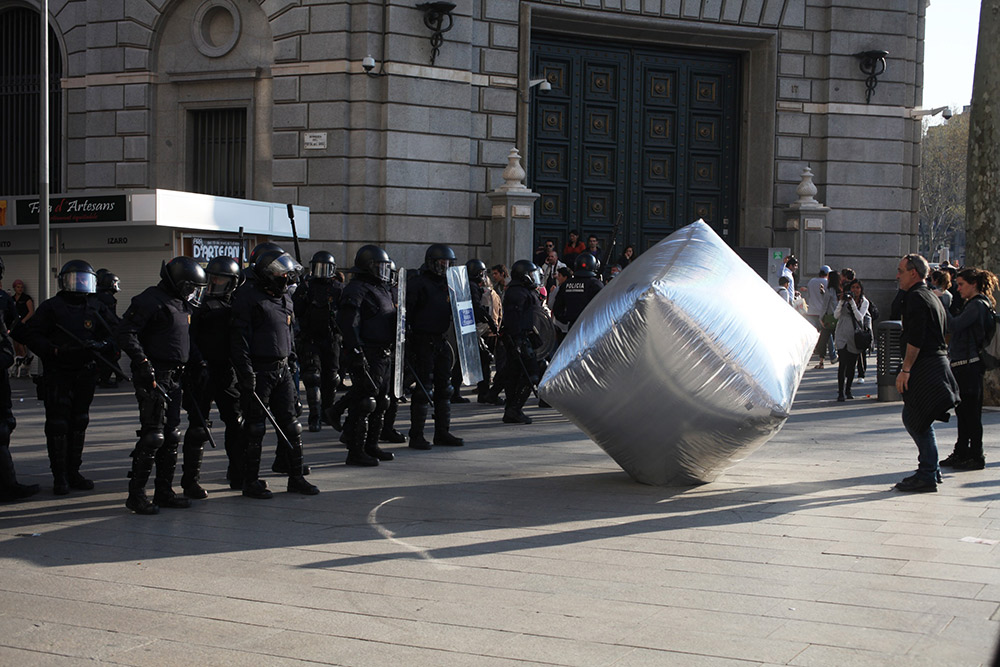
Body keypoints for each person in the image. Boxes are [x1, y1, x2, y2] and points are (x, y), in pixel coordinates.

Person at [14, 260, 116, 495]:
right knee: (58, 424)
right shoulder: (52, 307)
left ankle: (73, 471)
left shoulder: (96, 306)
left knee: (80, 421)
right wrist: (54, 351)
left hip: (85, 371)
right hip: (58, 372)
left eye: (83, 279)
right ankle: (59, 475)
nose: (79, 284)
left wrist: (100, 345)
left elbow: (116, 334)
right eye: (74, 279)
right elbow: (33, 335)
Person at [117, 257, 208, 514]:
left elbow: (185, 339)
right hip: (155, 375)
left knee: (171, 435)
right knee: (153, 435)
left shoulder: (182, 303)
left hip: (176, 376)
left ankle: (164, 491)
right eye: (190, 286)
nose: (193, 292)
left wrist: (198, 362)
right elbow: (126, 332)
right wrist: (142, 361)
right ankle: (136, 495)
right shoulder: (149, 300)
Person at [231, 249, 318, 498]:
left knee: (292, 425)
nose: (287, 278)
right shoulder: (247, 298)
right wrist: (246, 373)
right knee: (256, 428)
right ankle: (251, 481)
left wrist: (291, 361)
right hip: (259, 370)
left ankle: (296, 477)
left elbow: (288, 334)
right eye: (282, 274)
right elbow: (239, 341)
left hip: (282, 369)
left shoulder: (284, 298)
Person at [893, 253, 960, 493]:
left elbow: (916, 338)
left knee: (916, 419)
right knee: (917, 418)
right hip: (935, 364)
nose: (897, 275)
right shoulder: (929, 296)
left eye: (901, 270)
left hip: (925, 367)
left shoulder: (917, 298)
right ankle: (931, 469)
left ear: (913, 273)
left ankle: (928, 473)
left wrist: (906, 369)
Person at [182, 256, 245, 499]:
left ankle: (238, 472)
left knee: (236, 422)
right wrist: (197, 363)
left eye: (220, 280)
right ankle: (191, 481)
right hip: (202, 372)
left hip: (227, 371)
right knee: (198, 428)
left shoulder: (237, 305)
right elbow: (187, 338)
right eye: (212, 278)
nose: (214, 284)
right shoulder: (197, 306)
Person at [337, 245, 398, 465]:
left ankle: (372, 445)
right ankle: (356, 451)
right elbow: (348, 322)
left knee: (382, 402)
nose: (382, 270)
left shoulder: (381, 288)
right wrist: (355, 350)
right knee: (365, 403)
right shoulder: (357, 288)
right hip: (367, 351)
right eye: (378, 266)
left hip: (384, 351)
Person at [406, 244, 464, 449]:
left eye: (448, 263)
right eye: (441, 262)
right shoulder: (418, 283)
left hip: (441, 340)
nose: (445, 266)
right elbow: (407, 314)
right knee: (423, 389)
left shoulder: (448, 284)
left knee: (445, 388)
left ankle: (442, 432)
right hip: (422, 340)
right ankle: (417, 435)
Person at [940, 267, 999, 471]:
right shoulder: (974, 304)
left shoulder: (977, 305)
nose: (958, 289)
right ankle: (962, 451)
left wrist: (942, 305)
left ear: (973, 284)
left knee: (971, 413)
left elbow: (954, 325)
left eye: (962, 284)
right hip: (964, 364)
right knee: (964, 412)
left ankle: (975, 455)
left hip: (969, 365)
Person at [0, 257, 39, 502]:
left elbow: (16, 328)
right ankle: (8, 486)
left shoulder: (4, 300)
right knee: (2, 426)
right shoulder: (3, 299)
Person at [294, 251, 344, 432]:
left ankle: (326, 413)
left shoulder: (338, 289)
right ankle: (314, 417)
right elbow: (296, 311)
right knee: (312, 376)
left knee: (331, 378)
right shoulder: (306, 288)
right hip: (310, 338)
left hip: (331, 339)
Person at [496, 260, 545, 424]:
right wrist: (517, 341)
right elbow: (515, 319)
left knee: (514, 374)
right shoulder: (518, 293)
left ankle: (511, 410)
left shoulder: (519, 291)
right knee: (531, 374)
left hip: (519, 338)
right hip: (519, 339)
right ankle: (514, 409)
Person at [833, 279, 870, 401]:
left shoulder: (864, 302)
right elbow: (836, 315)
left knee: (851, 365)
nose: (855, 290)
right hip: (842, 333)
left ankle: (848, 389)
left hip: (854, 335)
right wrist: (842, 301)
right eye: (853, 288)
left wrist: (852, 303)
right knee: (842, 363)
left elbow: (860, 317)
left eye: (857, 288)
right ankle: (840, 392)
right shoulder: (844, 300)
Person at [553, 253, 604, 332]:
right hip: (591, 326)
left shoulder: (566, 284)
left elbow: (557, 308)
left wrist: (566, 319)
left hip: (573, 326)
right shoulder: (596, 284)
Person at [94, 271, 122, 388]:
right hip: (105, 332)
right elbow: (110, 317)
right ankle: (104, 379)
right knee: (111, 354)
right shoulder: (107, 299)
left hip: (98, 331)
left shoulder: (96, 296)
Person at [813, 271, 842, 369]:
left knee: (822, 341)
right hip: (839, 319)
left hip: (829, 319)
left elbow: (825, 305)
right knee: (838, 340)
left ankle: (821, 362)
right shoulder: (840, 291)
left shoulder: (829, 290)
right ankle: (839, 358)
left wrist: (821, 318)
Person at [10, 279, 34, 374]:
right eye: (18, 287)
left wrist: (24, 321)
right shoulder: (12, 299)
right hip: (14, 325)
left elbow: (31, 312)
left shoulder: (26, 298)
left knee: (21, 344)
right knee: (15, 345)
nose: (20, 289)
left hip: (23, 324)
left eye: (21, 287)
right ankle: (17, 366)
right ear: (14, 288)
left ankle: (25, 365)